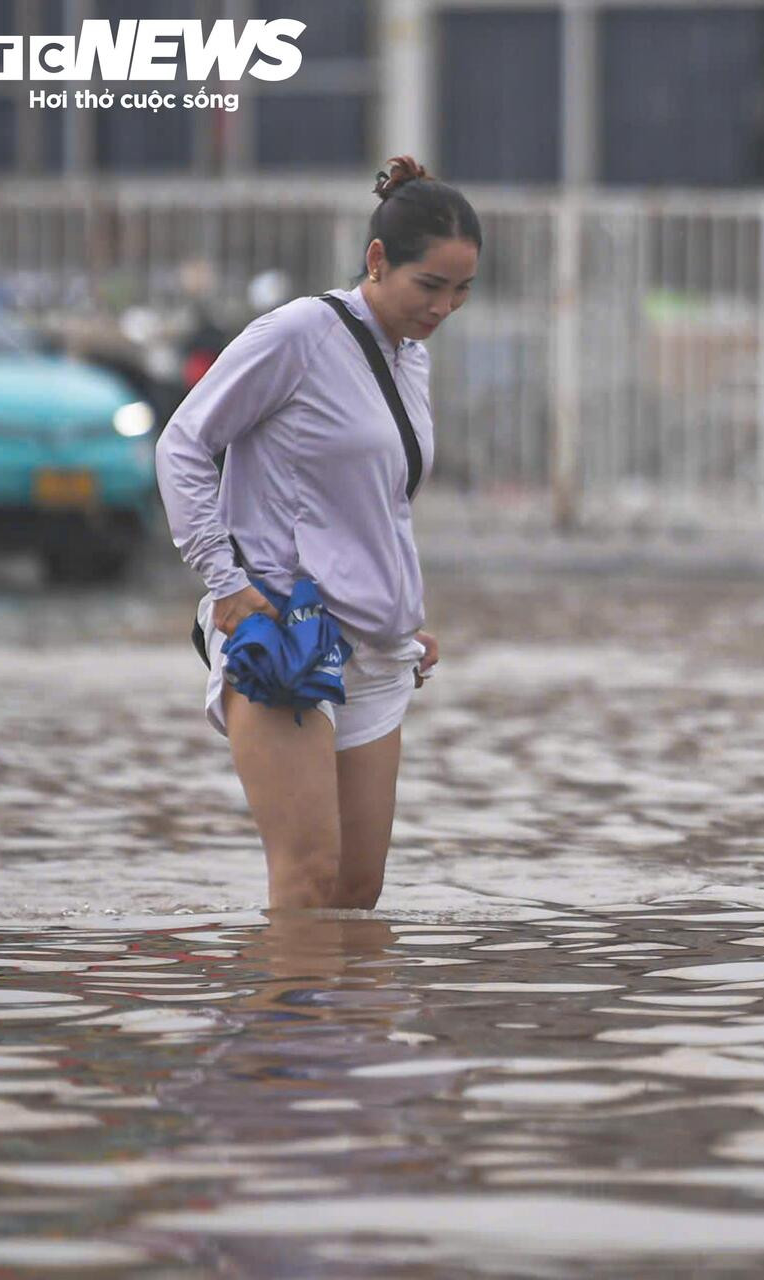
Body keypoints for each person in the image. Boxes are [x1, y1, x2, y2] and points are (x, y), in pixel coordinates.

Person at [156, 156, 480, 910]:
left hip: (377, 652)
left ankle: (344, 1032)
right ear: (377, 260)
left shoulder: (412, 359)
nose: (443, 307)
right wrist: (227, 585)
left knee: (356, 897)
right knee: (307, 879)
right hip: (287, 635)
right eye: (429, 285)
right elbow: (182, 445)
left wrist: (402, 617)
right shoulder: (300, 332)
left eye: (462, 291)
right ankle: (274, 1029)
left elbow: (374, 505)